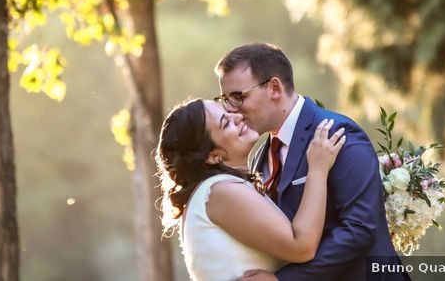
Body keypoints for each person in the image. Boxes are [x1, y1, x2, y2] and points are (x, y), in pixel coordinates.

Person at [215, 42, 408, 280]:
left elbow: (359, 230)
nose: (231, 110)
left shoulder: (337, 133)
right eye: (225, 100)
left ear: (274, 88)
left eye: (238, 96)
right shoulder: (259, 157)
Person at [156, 98, 346, 281]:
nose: (237, 117)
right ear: (213, 155)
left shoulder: (217, 190)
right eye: (225, 123)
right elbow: (301, 246)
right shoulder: (220, 191)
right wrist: (318, 168)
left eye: (227, 112)